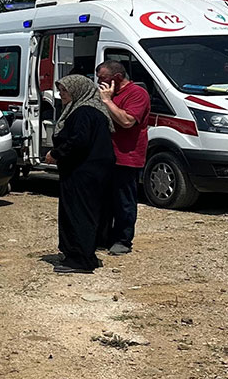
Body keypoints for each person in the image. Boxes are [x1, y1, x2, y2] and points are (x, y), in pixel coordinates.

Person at [43, 75, 114, 274]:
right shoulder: (92, 110)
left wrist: (56, 154)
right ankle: (81, 253)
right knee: (86, 213)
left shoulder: (84, 112)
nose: (61, 95)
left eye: (65, 91)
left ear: (78, 90)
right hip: (91, 173)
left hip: (83, 173)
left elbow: (78, 141)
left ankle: (80, 259)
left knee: (79, 214)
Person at [95, 60, 151, 255]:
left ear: (117, 78)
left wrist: (108, 102)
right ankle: (101, 237)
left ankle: (123, 240)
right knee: (102, 200)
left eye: (103, 78)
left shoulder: (137, 94)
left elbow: (127, 121)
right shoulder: (107, 94)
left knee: (123, 201)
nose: (99, 82)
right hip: (105, 155)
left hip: (127, 155)